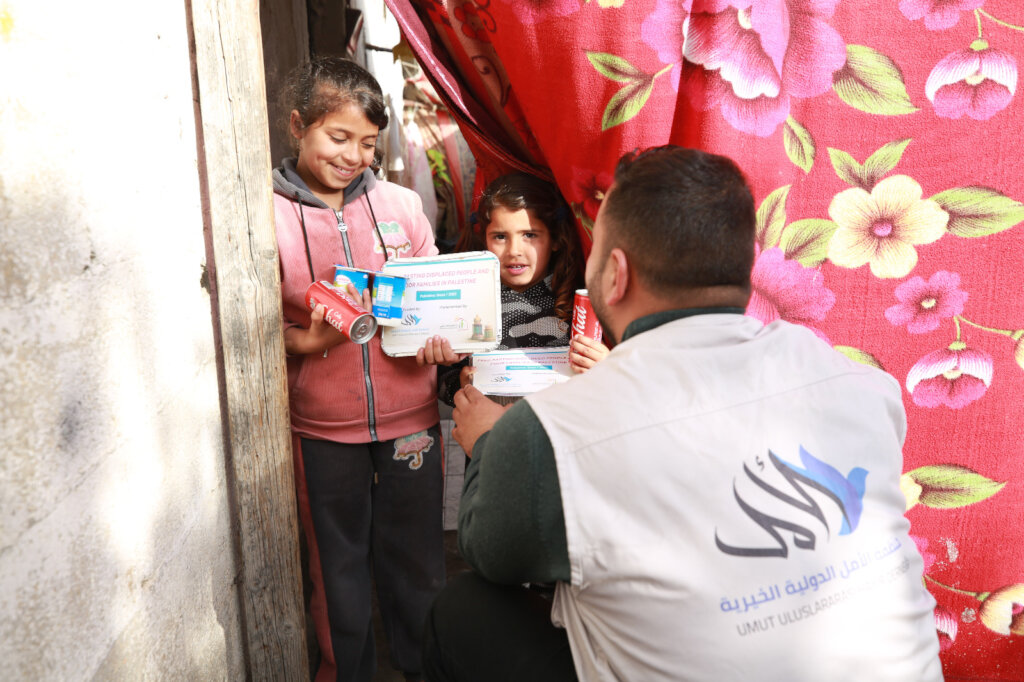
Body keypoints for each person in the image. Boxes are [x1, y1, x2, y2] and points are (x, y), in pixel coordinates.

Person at [424, 146, 943, 681]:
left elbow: (492, 551)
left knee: (463, 608)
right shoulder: (862, 385)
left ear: (615, 274)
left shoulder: (554, 430)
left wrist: (488, 442)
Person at [272, 56, 444, 682]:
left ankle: (425, 672)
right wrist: (303, 340)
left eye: (368, 144)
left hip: (412, 423)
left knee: (419, 567)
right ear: (299, 125)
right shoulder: (267, 218)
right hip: (322, 429)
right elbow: (253, 325)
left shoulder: (401, 206)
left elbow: (438, 298)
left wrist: (441, 341)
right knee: (337, 575)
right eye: (338, 138)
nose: (353, 157)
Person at [416, 172, 609, 403]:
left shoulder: (578, 308)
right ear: (484, 240)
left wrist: (605, 366)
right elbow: (445, 383)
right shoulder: (466, 303)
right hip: (488, 433)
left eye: (529, 235)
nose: (514, 250)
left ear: (556, 239)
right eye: (500, 236)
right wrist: (461, 384)